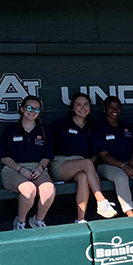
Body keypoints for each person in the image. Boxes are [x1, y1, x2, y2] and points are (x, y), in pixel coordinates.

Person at [49, 93, 118, 223]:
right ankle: (101, 201)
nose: (83, 108)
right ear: (73, 108)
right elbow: (49, 148)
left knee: (83, 177)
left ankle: (80, 219)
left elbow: (96, 152)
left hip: (84, 166)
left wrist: (88, 165)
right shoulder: (61, 124)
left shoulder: (92, 127)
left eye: (86, 104)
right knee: (85, 164)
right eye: (78, 104)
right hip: (61, 164)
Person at [0, 95, 56, 230]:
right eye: (29, 108)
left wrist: (40, 168)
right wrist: (20, 169)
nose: (32, 111)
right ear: (22, 109)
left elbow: (47, 155)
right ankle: (20, 222)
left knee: (49, 190)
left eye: (37, 109)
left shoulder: (44, 130)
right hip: (13, 169)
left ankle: (38, 220)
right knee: (29, 190)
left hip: (37, 167)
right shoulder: (10, 130)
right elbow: (4, 157)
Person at [94, 96, 133, 216]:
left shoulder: (127, 126)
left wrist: (131, 163)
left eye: (118, 107)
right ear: (104, 109)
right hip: (107, 165)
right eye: (111, 107)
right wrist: (123, 166)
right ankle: (130, 213)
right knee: (120, 177)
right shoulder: (99, 128)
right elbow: (103, 156)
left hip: (129, 162)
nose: (115, 110)